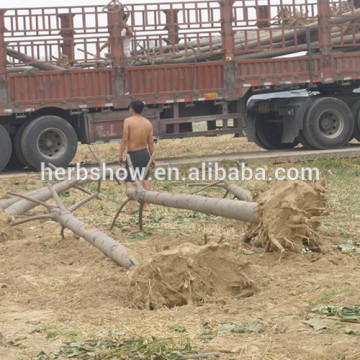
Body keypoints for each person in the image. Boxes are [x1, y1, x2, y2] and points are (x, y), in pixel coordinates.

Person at [118, 99, 155, 214]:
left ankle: (131, 207)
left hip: (133, 154)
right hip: (145, 153)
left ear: (132, 109)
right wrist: (152, 158)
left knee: (129, 179)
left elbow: (124, 140)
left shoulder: (128, 121)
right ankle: (145, 206)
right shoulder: (148, 123)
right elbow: (150, 143)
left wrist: (120, 155)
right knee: (145, 177)